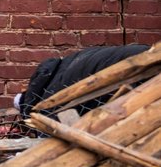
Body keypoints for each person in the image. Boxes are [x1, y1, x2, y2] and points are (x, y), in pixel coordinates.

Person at [16, 44, 150, 117]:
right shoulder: (66, 63)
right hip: (144, 54)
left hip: (137, 69)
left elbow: (54, 132)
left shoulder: (50, 99)